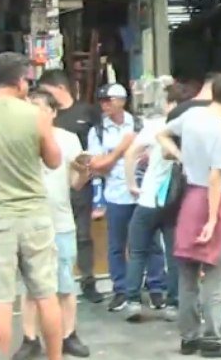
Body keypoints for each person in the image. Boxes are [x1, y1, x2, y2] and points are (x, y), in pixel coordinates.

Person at [0, 52, 63, 359]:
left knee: (1, 299)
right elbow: (53, 160)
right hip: (34, 213)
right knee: (46, 294)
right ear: (21, 80)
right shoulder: (35, 114)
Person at [156, 73, 221, 358]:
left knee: (186, 275)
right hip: (212, 201)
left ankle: (189, 337)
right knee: (216, 277)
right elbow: (215, 178)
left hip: (189, 199)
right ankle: (214, 338)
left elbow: (161, 134)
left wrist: (180, 157)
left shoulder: (192, 117)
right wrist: (211, 220)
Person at [13, 90, 91, 359]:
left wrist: (83, 171)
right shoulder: (20, 137)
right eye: (30, 107)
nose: (34, 113)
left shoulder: (68, 139)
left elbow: (75, 184)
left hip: (60, 220)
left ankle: (69, 334)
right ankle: (29, 338)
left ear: (53, 112)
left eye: (39, 107)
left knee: (65, 284)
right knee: (31, 286)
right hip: (30, 221)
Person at [87, 83, 164, 312]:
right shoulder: (98, 131)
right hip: (117, 194)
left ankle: (156, 287)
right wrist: (122, 150)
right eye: (102, 101)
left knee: (151, 243)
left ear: (121, 101)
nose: (105, 105)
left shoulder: (141, 125)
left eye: (108, 100)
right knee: (117, 245)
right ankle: (121, 289)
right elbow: (96, 165)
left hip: (144, 193)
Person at [38, 69, 104, 303]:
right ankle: (51, 285)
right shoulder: (41, 124)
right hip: (50, 186)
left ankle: (88, 280)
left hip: (79, 182)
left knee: (83, 235)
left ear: (59, 89)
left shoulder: (86, 112)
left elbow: (99, 142)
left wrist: (92, 170)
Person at [122, 83, 187, 323]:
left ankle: (133, 301)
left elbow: (131, 154)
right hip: (175, 202)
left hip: (149, 199)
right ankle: (173, 304)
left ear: (168, 103)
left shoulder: (156, 126)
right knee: (174, 255)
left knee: (138, 251)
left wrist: (132, 184)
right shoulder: (188, 129)